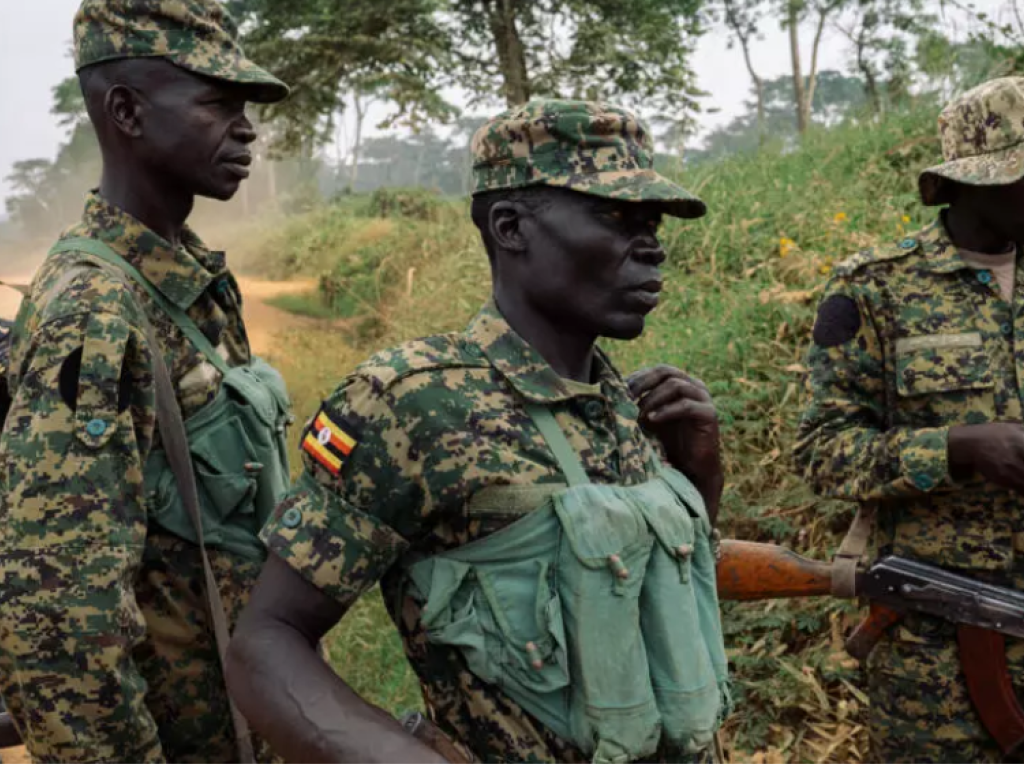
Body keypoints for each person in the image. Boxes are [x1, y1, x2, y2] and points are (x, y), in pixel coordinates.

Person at [226, 99, 731, 763]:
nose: (652, 246)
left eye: (654, 222)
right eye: (617, 217)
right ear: (511, 225)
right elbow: (267, 641)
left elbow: (641, 605)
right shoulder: (415, 403)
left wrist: (699, 483)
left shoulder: (630, 407)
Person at [0, 0, 293, 762]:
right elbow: (60, 622)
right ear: (127, 112)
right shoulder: (97, 311)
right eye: (216, 103)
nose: (246, 128)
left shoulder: (189, 283)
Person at [795, 76, 1024, 762]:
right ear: (968, 185)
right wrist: (955, 449)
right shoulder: (874, 289)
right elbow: (821, 451)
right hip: (937, 656)